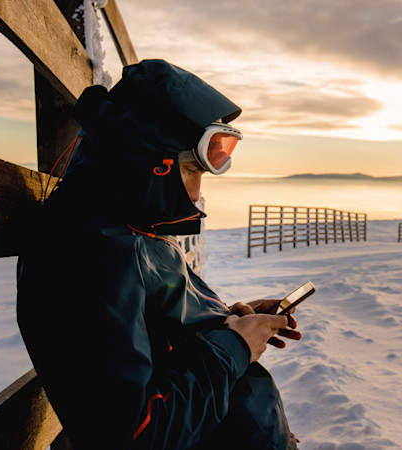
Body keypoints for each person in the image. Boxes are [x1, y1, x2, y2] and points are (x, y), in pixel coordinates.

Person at [16, 59, 301, 449]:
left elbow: (158, 339)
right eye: (190, 171)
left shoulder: (130, 226)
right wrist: (234, 347)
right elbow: (135, 435)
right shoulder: (89, 255)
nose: (198, 194)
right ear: (149, 163)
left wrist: (225, 324)